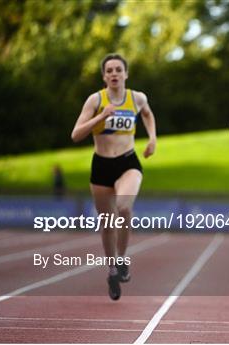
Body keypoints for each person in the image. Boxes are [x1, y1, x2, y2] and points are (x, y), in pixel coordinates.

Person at [71, 53, 157, 300]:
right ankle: (111, 270)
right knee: (107, 224)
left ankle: (121, 258)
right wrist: (101, 117)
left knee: (124, 207)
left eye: (118, 69)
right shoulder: (95, 100)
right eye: (109, 71)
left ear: (126, 74)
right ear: (104, 76)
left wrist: (152, 139)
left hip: (128, 162)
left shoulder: (137, 98)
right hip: (101, 166)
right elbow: (76, 134)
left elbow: (148, 115)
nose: (114, 74)